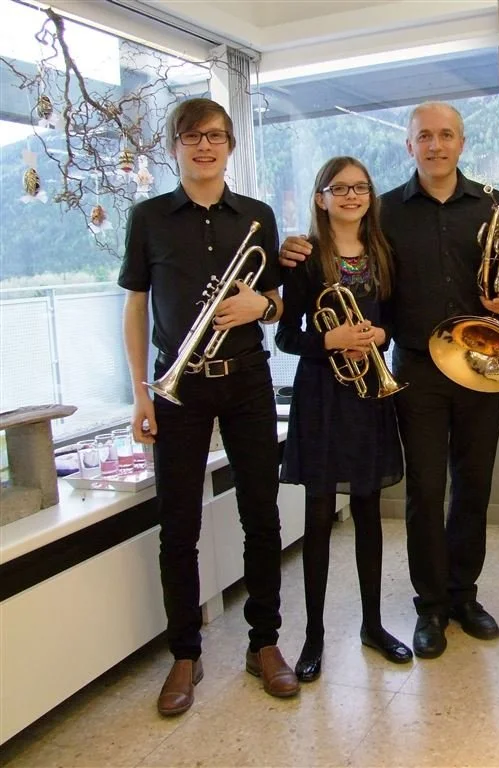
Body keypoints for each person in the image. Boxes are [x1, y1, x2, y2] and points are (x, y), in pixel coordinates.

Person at [280, 102, 499, 659]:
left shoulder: (493, 204)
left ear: (461, 142)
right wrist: (291, 247)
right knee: (425, 489)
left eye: (446, 135)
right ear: (409, 145)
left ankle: (464, 595)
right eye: (425, 137)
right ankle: (431, 605)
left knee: (474, 485)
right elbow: (344, 255)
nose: (436, 145)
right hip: (416, 366)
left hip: (481, 364)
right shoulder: (384, 211)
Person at [119, 98, 299, 716]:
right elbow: (136, 306)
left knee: (262, 516)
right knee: (178, 525)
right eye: (192, 136)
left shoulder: (257, 216)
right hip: (178, 386)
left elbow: (278, 303)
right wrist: (140, 392)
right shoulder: (148, 218)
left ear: (230, 146)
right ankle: (185, 654)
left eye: (215, 136)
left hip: (247, 379)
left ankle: (264, 643)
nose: (204, 146)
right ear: (174, 146)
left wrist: (261, 306)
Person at [275, 156, 412, 682]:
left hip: (369, 392)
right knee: (317, 517)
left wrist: (380, 335)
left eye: (361, 187)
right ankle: (314, 636)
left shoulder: (383, 252)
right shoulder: (305, 259)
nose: (352, 196)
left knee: (369, 512)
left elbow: (394, 320)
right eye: (340, 188)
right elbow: (286, 336)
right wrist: (329, 338)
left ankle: (372, 625)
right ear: (321, 198)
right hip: (322, 398)